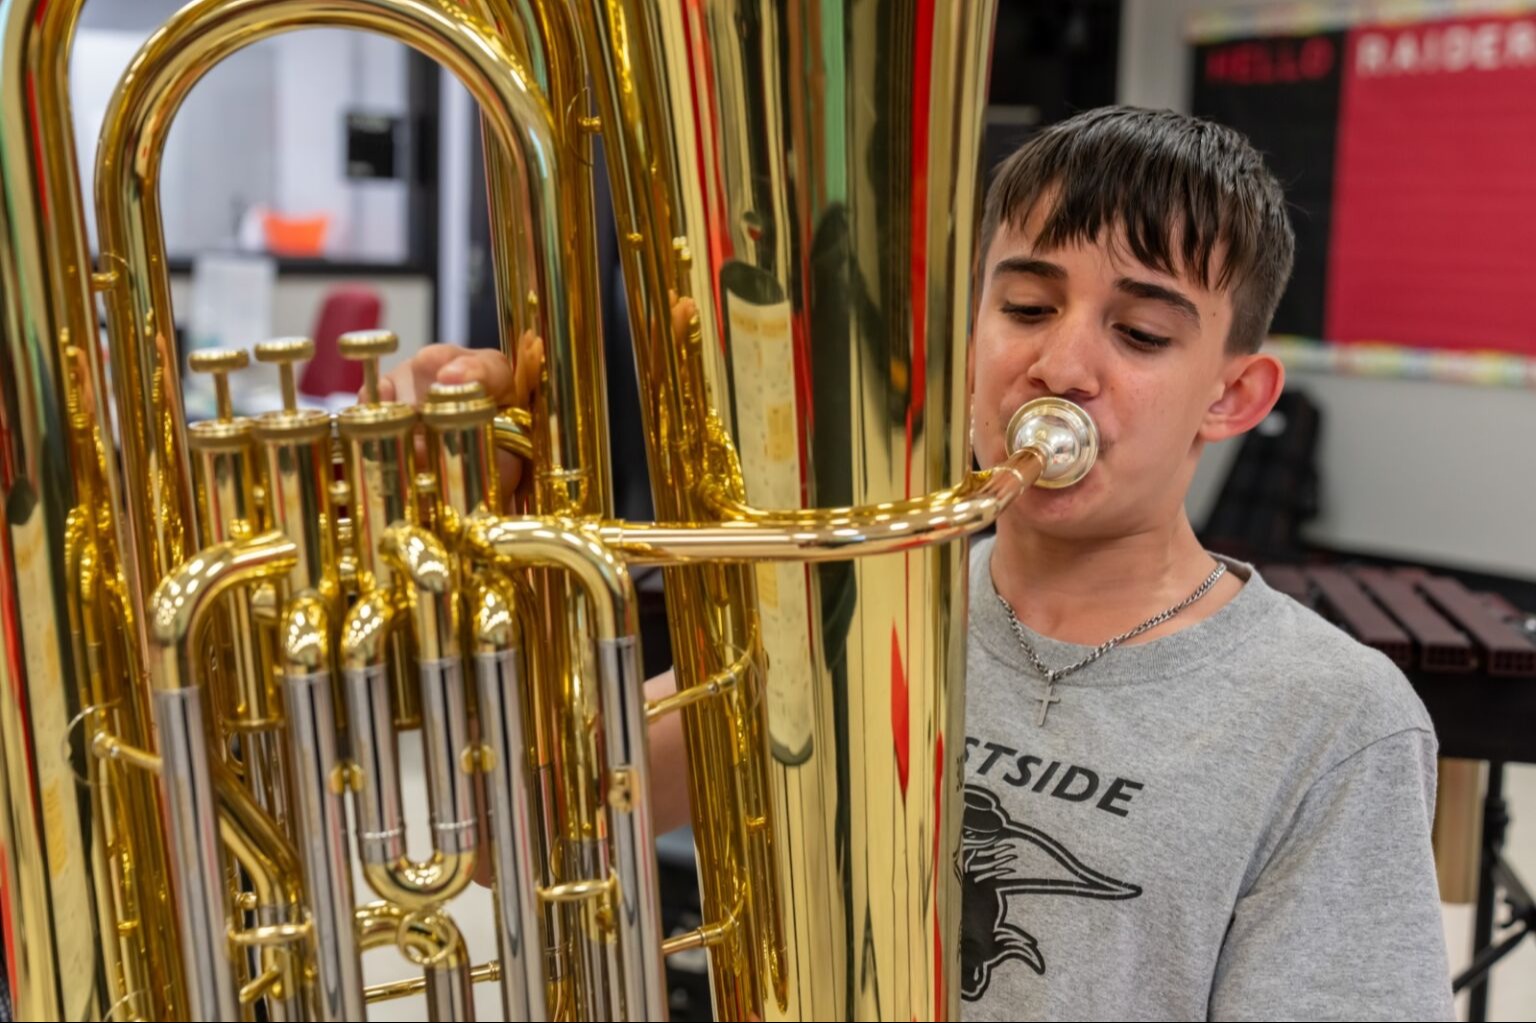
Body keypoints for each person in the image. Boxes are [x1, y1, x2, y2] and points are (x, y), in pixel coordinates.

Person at [381, 106, 1455, 1021]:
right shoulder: (846, 607)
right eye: (1026, 308)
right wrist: (495, 556)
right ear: (966, 330)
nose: (1060, 365)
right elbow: (516, 831)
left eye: (1138, 334)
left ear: (1232, 396)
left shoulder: (1335, 720)